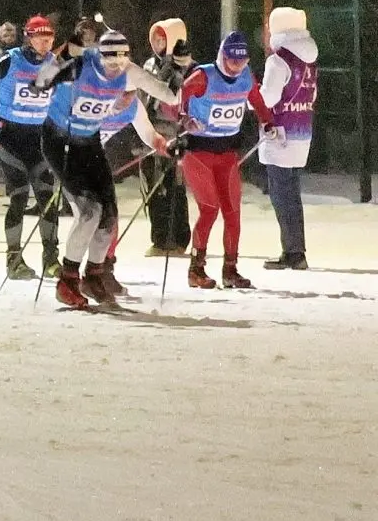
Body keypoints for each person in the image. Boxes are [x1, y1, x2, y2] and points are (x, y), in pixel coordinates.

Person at [35, 27, 177, 309]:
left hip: (89, 142)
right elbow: (40, 82)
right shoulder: (82, 65)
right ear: (100, 57)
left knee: (108, 217)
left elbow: (170, 96)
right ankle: (67, 279)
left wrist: (178, 69)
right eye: (110, 64)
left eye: (121, 64)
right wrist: (63, 54)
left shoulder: (129, 73)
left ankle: (95, 275)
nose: (116, 71)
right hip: (60, 140)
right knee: (89, 211)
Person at [173, 32, 272, 291]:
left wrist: (267, 120)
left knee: (233, 212)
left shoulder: (245, 76)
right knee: (209, 208)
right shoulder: (204, 76)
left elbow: (256, 98)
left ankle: (230, 269)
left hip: (227, 152)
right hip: (199, 152)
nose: (236, 66)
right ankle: (196, 268)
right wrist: (184, 120)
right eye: (231, 60)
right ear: (222, 56)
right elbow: (178, 97)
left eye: (241, 61)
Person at [0, 15, 63, 280]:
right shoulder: (10, 60)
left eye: (49, 38)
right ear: (29, 37)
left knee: (48, 198)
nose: (45, 43)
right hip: (10, 137)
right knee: (19, 195)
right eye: (40, 37)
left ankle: (51, 259)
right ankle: (14, 259)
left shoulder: (54, 63)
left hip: (40, 138)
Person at [260, 5, 318, 269]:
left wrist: (254, 100)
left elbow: (269, 97)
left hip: (279, 134)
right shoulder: (308, 59)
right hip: (302, 131)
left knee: (281, 195)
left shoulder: (278, 60)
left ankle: (293, 252)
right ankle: (297, 249)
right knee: (293, 194)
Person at [140, 20, 195, 257]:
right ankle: (159, 237)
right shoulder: (150, 64)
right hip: (149, 133)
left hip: (173, 134)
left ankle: (178, 238)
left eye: (163, 39)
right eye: (155, 38)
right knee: (152, 188)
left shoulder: (186, 66)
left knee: (174, 187)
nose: (157, 43)